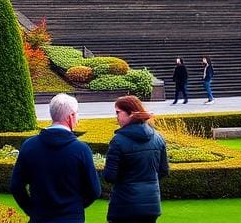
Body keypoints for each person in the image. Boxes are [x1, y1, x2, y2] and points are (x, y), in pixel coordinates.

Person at [10, 93, 101, 223]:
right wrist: (74, 208)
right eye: (77, 114)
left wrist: (32, 210)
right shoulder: (81, 150)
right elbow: (95, 191)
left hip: (40, 218)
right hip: (71, 218)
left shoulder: (29, 146)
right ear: (71, 117)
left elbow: (16, 186)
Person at [103, 95, 170, 223]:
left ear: (130, 114)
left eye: (118, 112)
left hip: (124, 205)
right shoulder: (158, 138)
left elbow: (109, 176)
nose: (116, 117)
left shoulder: (118, 141)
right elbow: (164, 170)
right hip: (151, 205)